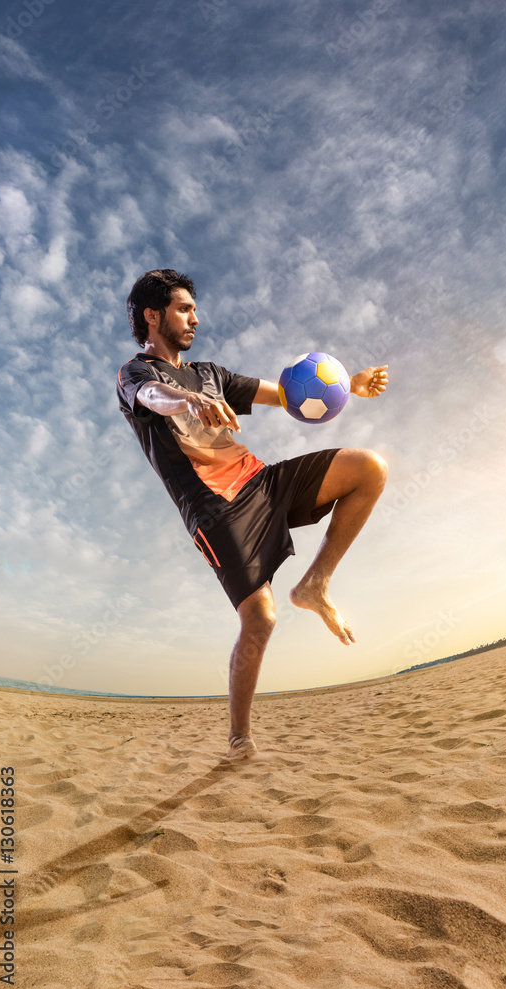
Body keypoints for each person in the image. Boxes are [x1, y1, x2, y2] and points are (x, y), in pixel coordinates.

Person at [117, 269, 388, 760]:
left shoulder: (211, 374)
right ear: (152, 316)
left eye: (194, 308)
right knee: (260, 619)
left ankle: (315, 585)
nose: (195, 318)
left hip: (262, 482)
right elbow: (153, 398)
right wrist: (191, 400)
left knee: (369, 469)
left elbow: (284, 393)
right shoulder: (136, 375)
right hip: (213, 508)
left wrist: (349, 383)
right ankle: (239, 734)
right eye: (183, 309)